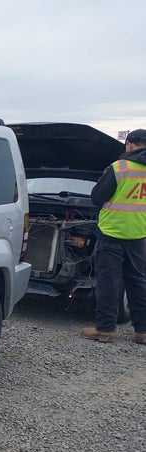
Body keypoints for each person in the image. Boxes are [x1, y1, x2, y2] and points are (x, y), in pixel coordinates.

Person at [81, 129, 146, 343]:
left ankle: (105, 329)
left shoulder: (120, 167)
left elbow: (97, 197)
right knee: (137, 281)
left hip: (112, 232)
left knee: (109, 280)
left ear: (129, 145)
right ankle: (142, 331)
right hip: (138, 232)